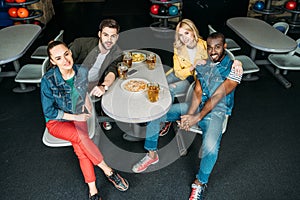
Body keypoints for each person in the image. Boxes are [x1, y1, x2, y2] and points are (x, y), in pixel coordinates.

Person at [132, 32, 242, 200]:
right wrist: (189, 115)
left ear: (224, 47)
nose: (213, 51)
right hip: (197, 106)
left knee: (211, 147)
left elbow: (217, 96)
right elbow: (198, 91)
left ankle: (200, 182)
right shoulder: (203, 64)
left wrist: (196, 118)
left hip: (216, 111)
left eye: (217, 47)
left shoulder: (234, 68)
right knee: (156, 113)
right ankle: (152, 154)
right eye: (210, 47)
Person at [41, 41, 129, 200]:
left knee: (81, 151)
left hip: (78, 114)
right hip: (57, 121)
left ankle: (93, 191)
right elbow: (50, 112)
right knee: (82, 138)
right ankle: (108, 171)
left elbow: (83, 92)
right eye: (59, 58)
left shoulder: (81, 71)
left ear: (70, 52)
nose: (65, 60)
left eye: (66, 54)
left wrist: (88, 108)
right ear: (53, 62)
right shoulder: (48, 80)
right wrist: (76, 117)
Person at [160, 18, 243, 137]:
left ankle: (166, 121)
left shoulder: (206, 46)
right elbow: (178, 72)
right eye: (180, 35)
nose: (184, 38)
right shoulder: (178, 47)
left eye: (187, 33)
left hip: (194, 80)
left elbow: (222, 56)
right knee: (160, 84)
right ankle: (151, 115)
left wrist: (237, 61)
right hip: (184, 73)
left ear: (193, 32)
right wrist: (193, 67)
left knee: (171, 88)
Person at [68, 18, 123, 131]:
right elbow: (62, 65)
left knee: (115, 86)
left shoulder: (117, 52)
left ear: (117, 37)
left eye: (113, 36)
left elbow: (112, 71)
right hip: (74, 81)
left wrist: (104, 86)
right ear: (99, 34)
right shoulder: (80, 44)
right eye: (106, 35)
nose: (109, 40)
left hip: (96, 82)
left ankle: (104, 113)